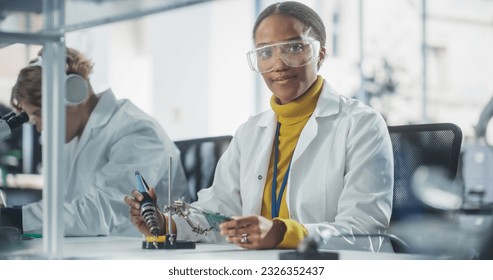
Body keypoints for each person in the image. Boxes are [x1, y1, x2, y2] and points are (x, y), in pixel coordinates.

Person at [125, 1, 393, 251]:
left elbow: (365, 230)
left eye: (294, 48)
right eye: (266, 52)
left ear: (320, 54)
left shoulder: (361, 124)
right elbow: (218, 215)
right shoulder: (250, 132)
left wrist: (280, 233)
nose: (278, 64)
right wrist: (164, 223)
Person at [0, 47, 190, 236]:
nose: (40, 128)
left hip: (145, 253)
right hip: (100, 249)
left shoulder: (137, 131)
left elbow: (99, 213)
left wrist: (11, 218)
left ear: (73, 94)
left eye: (39, 115)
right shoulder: (73, 137)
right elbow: (64, 211)